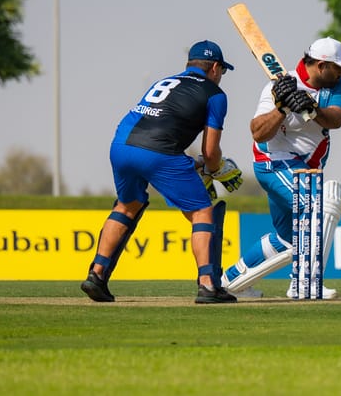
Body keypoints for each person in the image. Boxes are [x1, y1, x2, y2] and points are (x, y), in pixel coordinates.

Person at [80, 39, 243, 304]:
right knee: (202, 211)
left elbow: (160, 129)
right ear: (215, 67)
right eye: (222, 71)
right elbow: (211, 152)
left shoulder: (163, 81)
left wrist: (199, 165)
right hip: (158, 152)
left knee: (126, 206)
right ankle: (208, 285)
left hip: (122, 145)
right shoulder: (215, 95)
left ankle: (96, 275)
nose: (221, 76)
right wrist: (217, 170)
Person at [221, 37, 341, 299]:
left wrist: (312, 107)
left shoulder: (338, 86)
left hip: (305, 167)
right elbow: (258, 133)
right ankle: (305, 284)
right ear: (320, 65)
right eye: (337, 67)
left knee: (287, 239)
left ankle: (229, 282)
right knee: (318, 206)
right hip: (273, 162)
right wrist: (282, 108)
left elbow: (337, 119)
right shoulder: (276, 87)